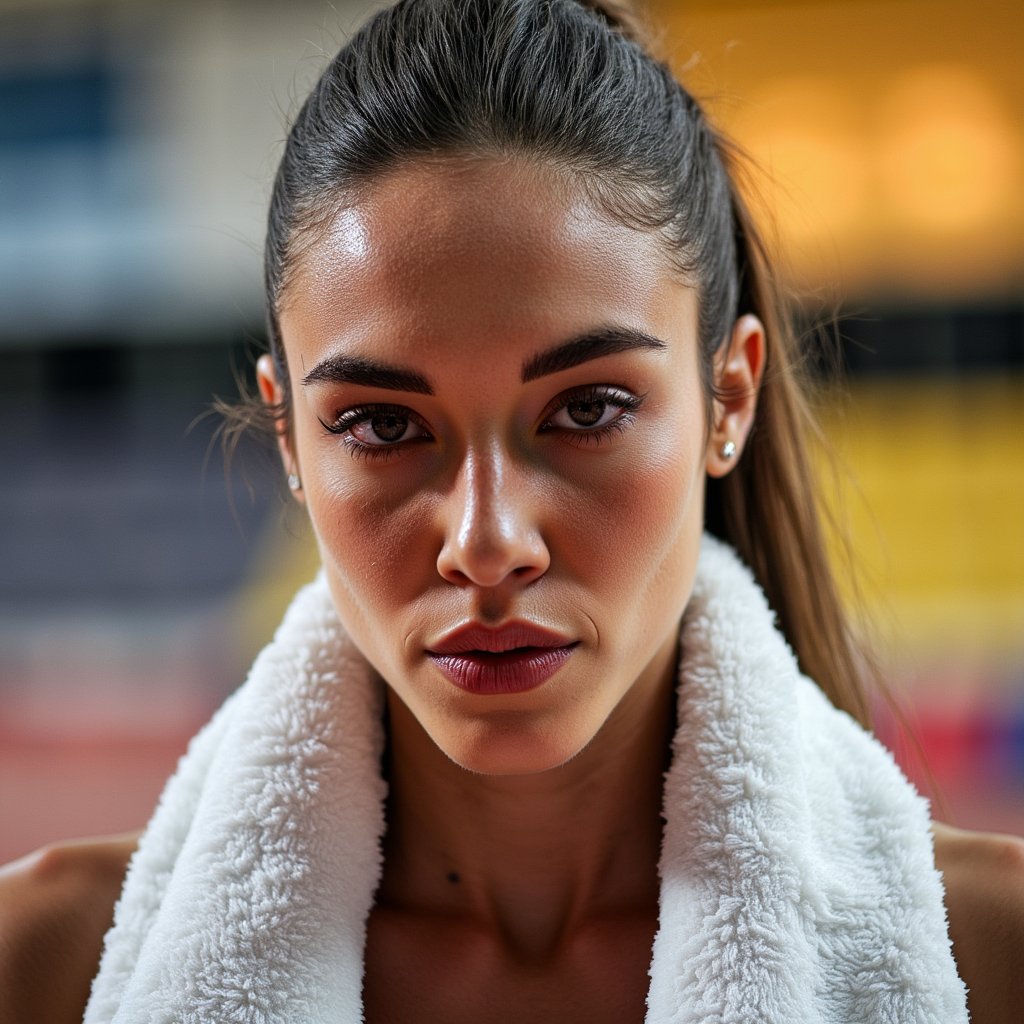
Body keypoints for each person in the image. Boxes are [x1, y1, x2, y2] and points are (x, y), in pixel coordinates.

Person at [1, 1, 1022, 1021]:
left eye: (588, 408)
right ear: (288, 437)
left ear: (730, 400)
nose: (487, 543)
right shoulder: (38, 966)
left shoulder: (999, 955)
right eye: (382, 425)